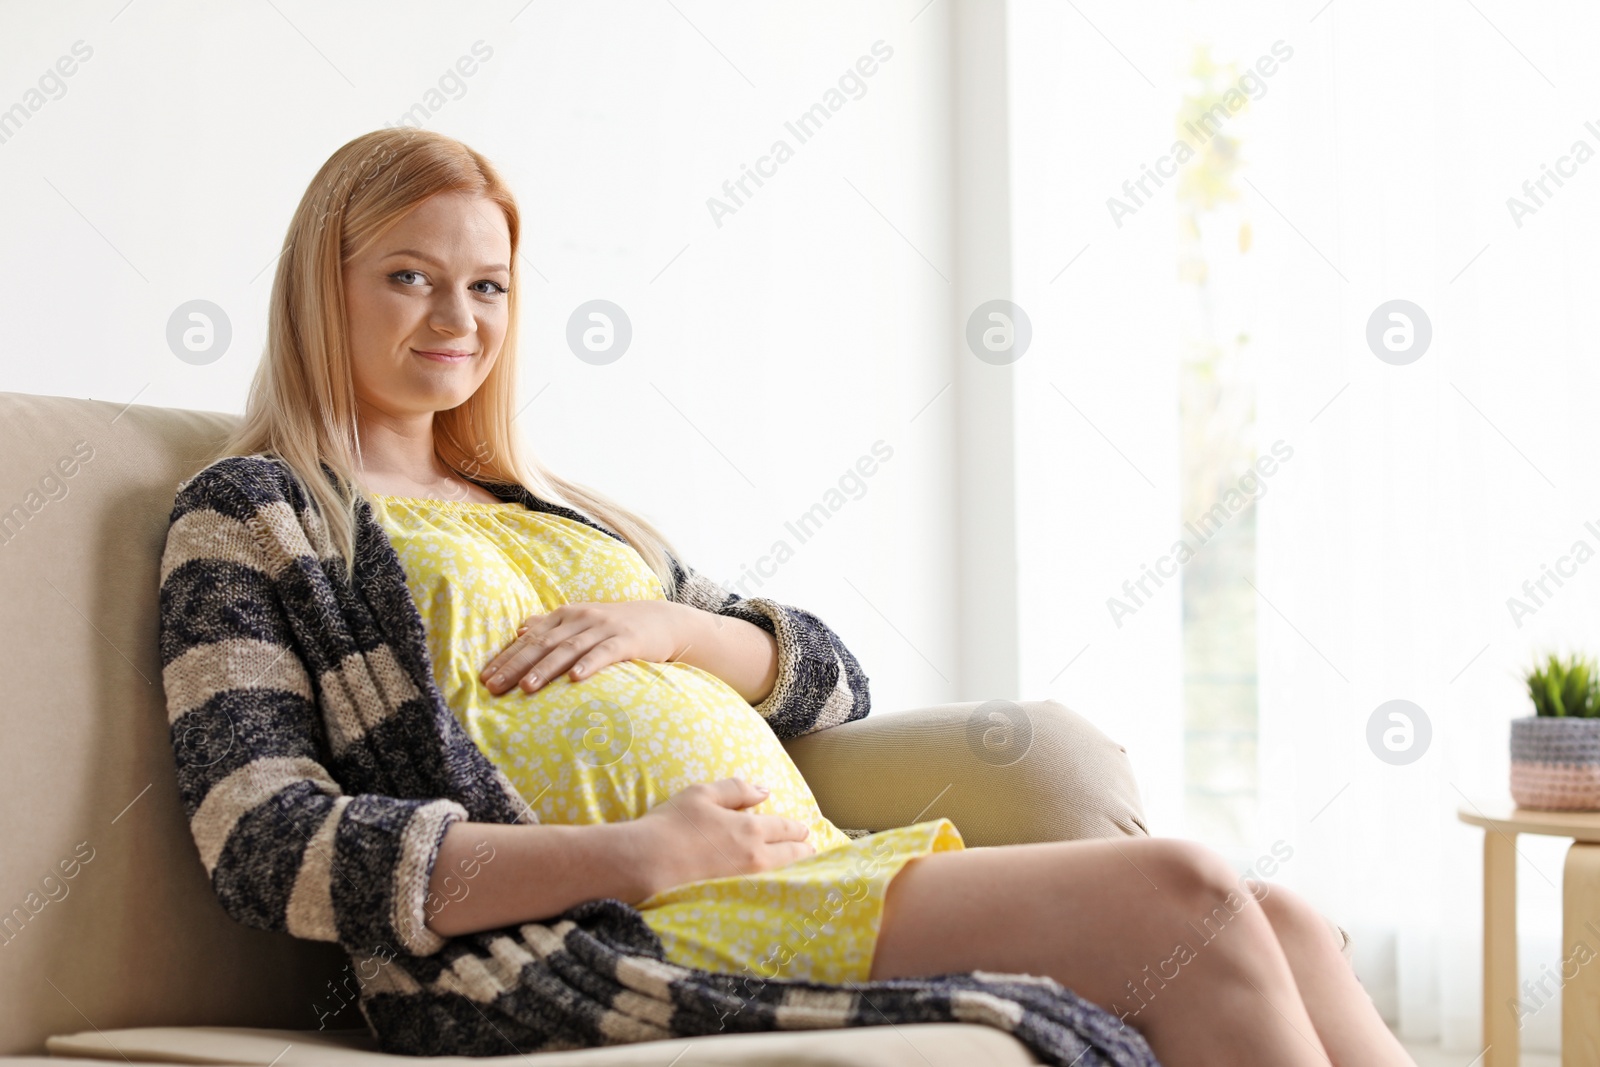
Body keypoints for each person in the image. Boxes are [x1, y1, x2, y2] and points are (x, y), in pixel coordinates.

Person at [157, 127, 1413, 1066]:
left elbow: (830, 676)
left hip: (791, 872)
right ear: (326, 283)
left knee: (1286, 915)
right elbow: (263, 840)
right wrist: (635, 854)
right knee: (1182, 896)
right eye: (410, 277)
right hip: (608, 926)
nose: (459, 317)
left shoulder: (557, 507)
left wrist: (676, 627)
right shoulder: (260, 512)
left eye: (487, 285)